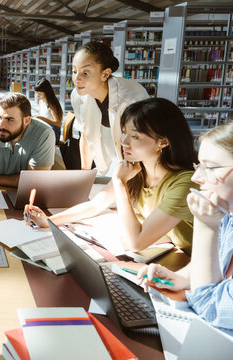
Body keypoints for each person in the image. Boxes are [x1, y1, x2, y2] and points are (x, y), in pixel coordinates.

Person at [27, 98, 197, 254]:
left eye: (135, 136)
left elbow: (136, 243)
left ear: (163, 142)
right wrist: (49, 221)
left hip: (193, 266)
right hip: (169, 254)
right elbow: (96, 205)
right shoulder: (136, 168)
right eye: (124, 132)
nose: (124, 142)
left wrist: (120, 182)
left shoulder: (184, 183)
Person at [137, 122, 233, 330]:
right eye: (200, 165)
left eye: (211, 167)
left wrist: (205, 226)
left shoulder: (216, 218)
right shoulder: (228, 217)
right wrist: (181, 277)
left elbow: (209, 306)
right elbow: (218, 264)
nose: (197, 177)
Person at [71, 41, 149, 175]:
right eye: (74, 71)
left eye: (85, 73)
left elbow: (143, 143)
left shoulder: (131, 99)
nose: (76, 79)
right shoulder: (77, 97)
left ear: (105, 74)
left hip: (140, 165)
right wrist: (84, 174)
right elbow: (85, 136)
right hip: (112, 164)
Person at [35, 78, 63, 144]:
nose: (37, 96)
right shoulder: (41, 102)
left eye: (40, 94)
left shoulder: (51, 104)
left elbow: (58, 123)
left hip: (53, 133)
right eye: (36, 93)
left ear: (46, 93)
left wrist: (41, 118)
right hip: (45, 130)